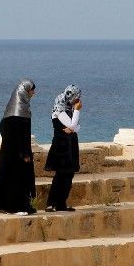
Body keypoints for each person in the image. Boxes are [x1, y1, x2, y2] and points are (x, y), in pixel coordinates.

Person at [0, 78, 38, 215]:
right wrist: (25, 154)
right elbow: (20, 135)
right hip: (18, 154)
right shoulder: (19, 112)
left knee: (13, 177)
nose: (33, 93)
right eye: (31, 90)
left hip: (11, 153)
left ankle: (16, 206)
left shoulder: (12, 110)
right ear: (24, 91)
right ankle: (13, 207)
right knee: (15, 178)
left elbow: (2, 129)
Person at [45, 84, 82, 212]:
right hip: (61, 146)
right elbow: (72, 125)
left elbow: (76, 128)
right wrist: (77, 110)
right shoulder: (59, 109)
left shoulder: (69, 109)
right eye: (76, 98)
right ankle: (51, 203)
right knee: (60, 174)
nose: (78, 101)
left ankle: (62, 203)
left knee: (69, 174)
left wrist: (72, 127)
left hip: (70, 144)